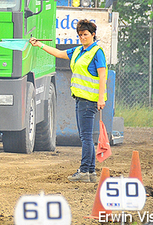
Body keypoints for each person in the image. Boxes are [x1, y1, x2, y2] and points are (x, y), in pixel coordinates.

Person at [30, 19, 107, 183]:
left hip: (88, 100)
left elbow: (102, 76)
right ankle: (90, 172)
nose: (82, 37)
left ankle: (84, 170)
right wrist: (39, 45)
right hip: (81, 99)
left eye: (85, 34)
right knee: (86, 137)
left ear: (93, 35)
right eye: (80, 35)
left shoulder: (97, 52)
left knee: (85, 137)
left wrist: (101, 98)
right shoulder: (79, 51)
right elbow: (58, 53)